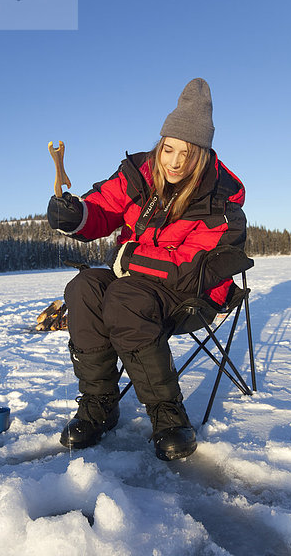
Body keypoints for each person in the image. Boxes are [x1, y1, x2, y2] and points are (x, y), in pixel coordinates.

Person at [47, 78, 247, 461]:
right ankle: (99, 404)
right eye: (168, 148)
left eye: (186, 153)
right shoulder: (141, 173)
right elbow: (104, 206)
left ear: (203, 155)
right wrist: (76, 215)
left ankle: (167, 414)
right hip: (133, 283)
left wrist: (133, 258)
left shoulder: (219, 200)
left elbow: (195, 267)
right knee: (84, 288)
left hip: (190, 292)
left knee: (124, 296)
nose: (173, 162)